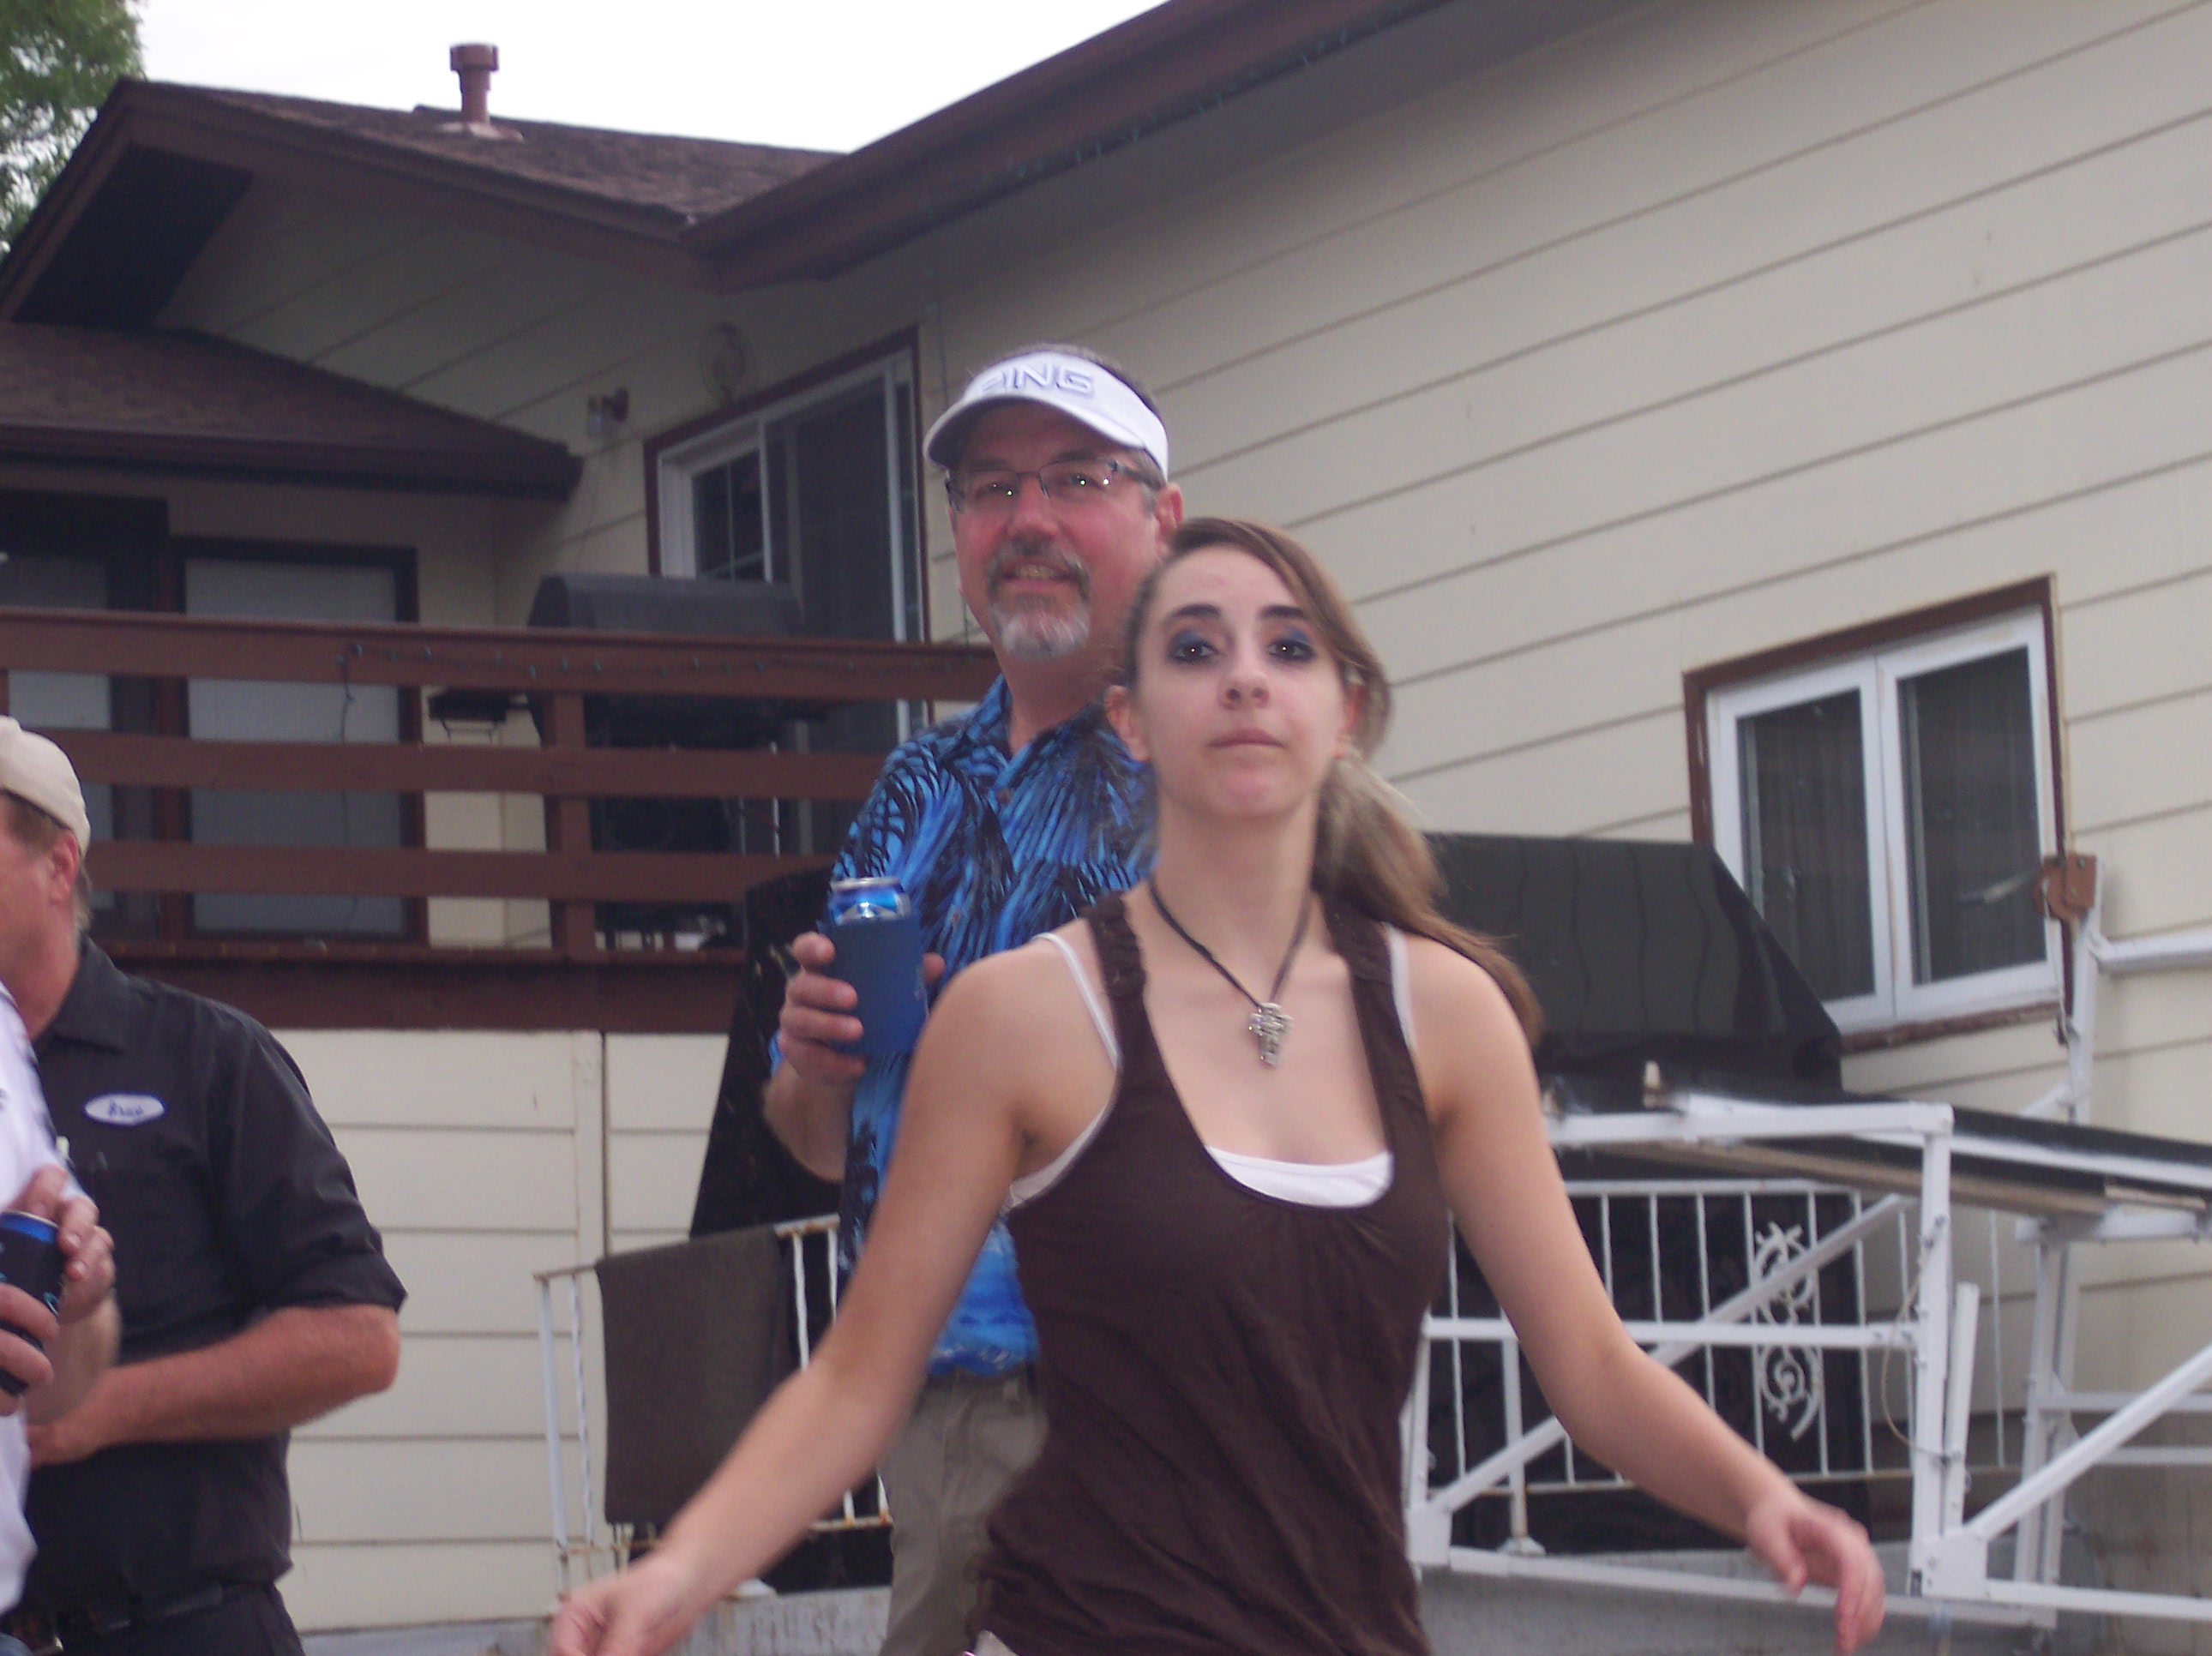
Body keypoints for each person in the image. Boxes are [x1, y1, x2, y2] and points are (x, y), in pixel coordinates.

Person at [550, 518, 1889, 1656]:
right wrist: (678, 1576)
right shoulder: (1022, 1016)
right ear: (1129, 721)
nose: (1245, 677)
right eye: (1195, 649)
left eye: (1287, 648)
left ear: (1344, 711)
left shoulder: (1446, 1015)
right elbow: (856, 1380)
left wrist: (1764, 1498)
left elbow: (1591, 1365)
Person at [760, 345, 1181, 1656]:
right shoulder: (912, 787)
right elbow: (822, 1145)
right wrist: (816, 1062)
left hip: (1161, 1387)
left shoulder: (1216, 764)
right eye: (991, 489)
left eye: (1076, 479)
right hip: (939, 1400)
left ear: (1164, 517)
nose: (1028, 520)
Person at [0, 721, 406, 1656]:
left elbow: (359, 1337)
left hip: (185, 1625)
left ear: (58, 867)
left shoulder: (204, 1057)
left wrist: (100, 1410)